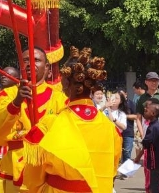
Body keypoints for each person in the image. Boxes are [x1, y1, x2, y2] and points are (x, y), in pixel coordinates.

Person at [23, 46, 118, 193]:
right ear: (92, 87)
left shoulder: (51, 124)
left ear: (66, 84)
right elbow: (112, 170)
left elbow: (33, 177)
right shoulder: (110, 127)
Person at [0, 47, 67, 192]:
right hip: (16, 166)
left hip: (48, 167)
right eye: (25, 60)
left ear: (47, 67)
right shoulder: (8, 95)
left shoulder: (59, 98)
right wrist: (16, 103)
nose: (30, 64)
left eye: (36, 60)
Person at [134, 102, 159, 193]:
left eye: (146, 111)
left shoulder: (152, 128)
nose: (144, 112)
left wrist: (142, 140)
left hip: (155, 163)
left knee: (155, 186)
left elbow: (146, 143)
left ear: (153, 114)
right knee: (155, 184)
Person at [136, 72, 159, 137]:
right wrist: (142, 134)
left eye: (156, 80)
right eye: (151, 80)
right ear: (146, 82)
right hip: (147, 132)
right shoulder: (141, 98)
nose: (154, 83)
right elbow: (138, 118)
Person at [119, 89, 137, 164]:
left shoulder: (131, 103)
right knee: (119, 153)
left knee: (127, 152)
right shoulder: (116, 105)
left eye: (122, 94)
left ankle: (126, 173)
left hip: (128, 132)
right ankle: (122, 171)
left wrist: (124, 116)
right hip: (118, 132)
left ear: (126, 94)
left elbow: (136, 116)